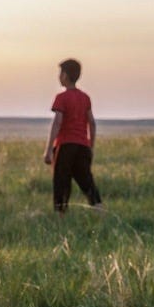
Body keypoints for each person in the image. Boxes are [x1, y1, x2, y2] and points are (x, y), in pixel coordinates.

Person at [43, 58, 101, 214]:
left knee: (61, 181)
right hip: (82, 146)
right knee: (86, 180)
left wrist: (48, 150)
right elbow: (92, 123)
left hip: (65, 145)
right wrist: (90, 147)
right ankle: (100, 210)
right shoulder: (85, 98)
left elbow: (57, 123)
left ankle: (60, 215)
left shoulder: (61, 98)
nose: (59, 76)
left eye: (60, 73)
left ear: (65, 76)